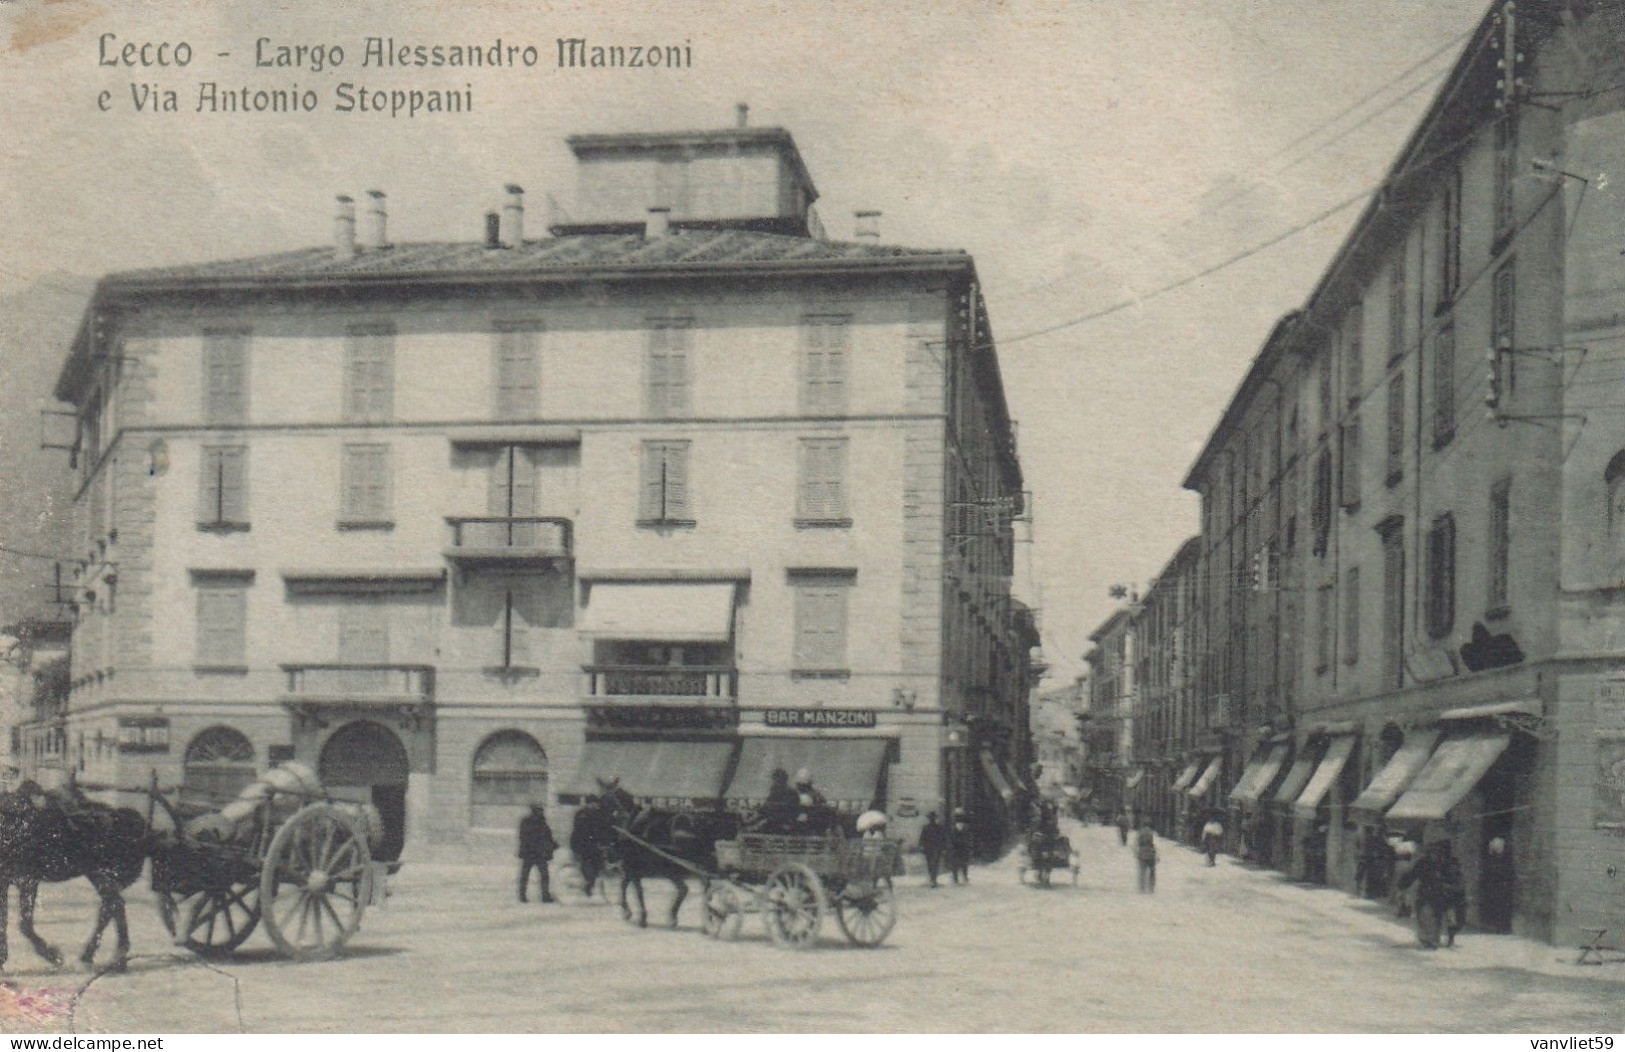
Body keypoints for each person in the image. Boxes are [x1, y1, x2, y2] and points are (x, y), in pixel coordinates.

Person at [517, 803, 558, 904]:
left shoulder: (527, 822)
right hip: (538, 854)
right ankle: (544, 896)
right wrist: (553, 845)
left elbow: (523, 836)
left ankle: (523, 895)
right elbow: (547, 837)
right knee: (543, 875)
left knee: (526, 875)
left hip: (530, 853)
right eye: (539, 810)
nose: (541, 812)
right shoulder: (540, 822)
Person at [919, 811, 947, 888]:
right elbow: (922, 839)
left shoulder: (930, 827)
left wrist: (922, 847)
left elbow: (943, 839)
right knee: (934, 864)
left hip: (932, 849)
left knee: (931, 864)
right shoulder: (937, 827)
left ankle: (933, 879)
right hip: (933, 849)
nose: (932, 819)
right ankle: (933, 879)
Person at [949, 807, 973, 884]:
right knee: (960, 863)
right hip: (959, 848)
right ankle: (960, 878)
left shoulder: (960, 827)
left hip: (960, 848)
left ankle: (959, 878)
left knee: (959, 863)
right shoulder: (964, 827)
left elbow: (969, 838)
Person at [1135, 822, 1158, 893]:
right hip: (1151, 854)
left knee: (1142, 871)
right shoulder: (1153, 833)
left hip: (1142, 853)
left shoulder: (1140, 833)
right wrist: (1157, 855)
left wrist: (1136, 853)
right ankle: (1151, 888)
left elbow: (1137, 843)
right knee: (1152, 871)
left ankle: (1142, 888)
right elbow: (1155, 845)